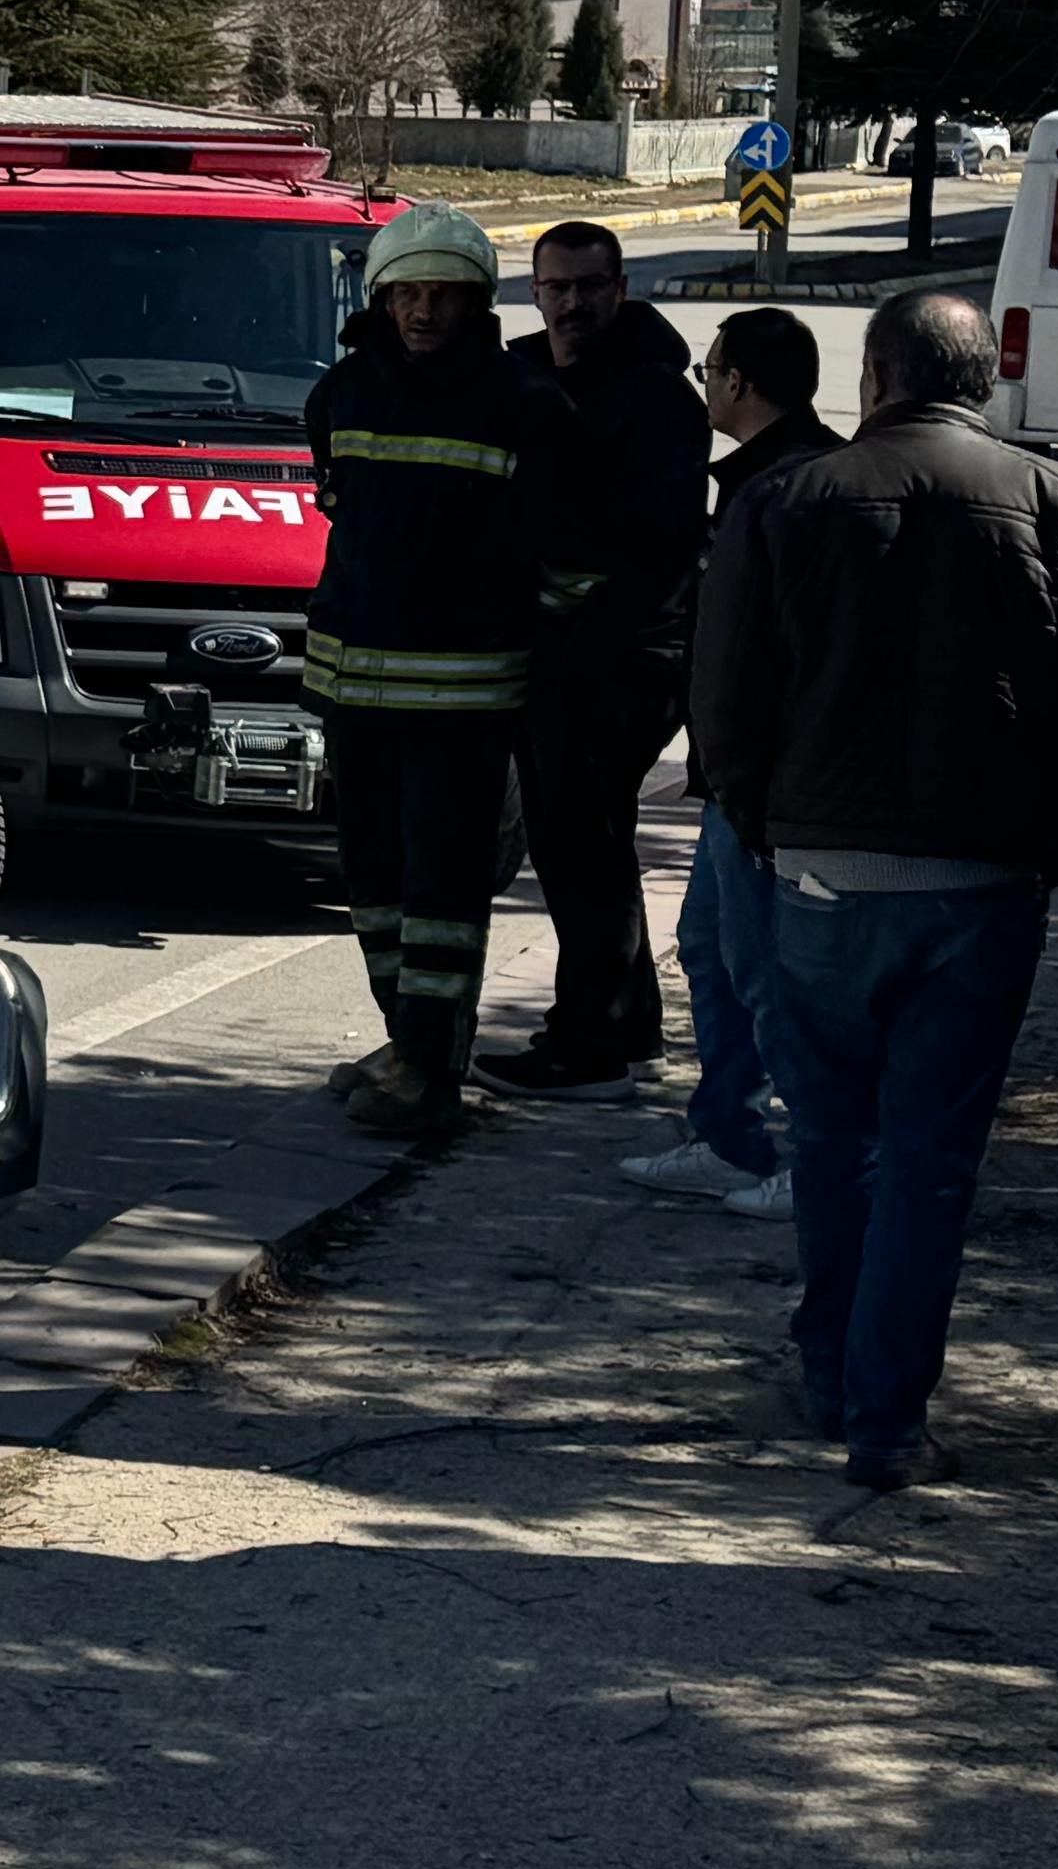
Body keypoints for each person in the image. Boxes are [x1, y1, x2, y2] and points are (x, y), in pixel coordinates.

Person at [693, 289, 1058, 1490]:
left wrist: (772, 832)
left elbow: (722, 709)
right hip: (981, 889)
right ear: (984, 377)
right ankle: (886, 1418)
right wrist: (1048, 853)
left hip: (819, 880)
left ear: (872, 377)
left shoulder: (780, 500)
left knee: (833, 1144)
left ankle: (827, 1372)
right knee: (930, 1162)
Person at [303, 201, 560, 1143]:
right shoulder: (338, 396)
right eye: (407, 292)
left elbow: (560, 548)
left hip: (463, 698)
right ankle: (409, 1045)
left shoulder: (527, 405)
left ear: (477, 304)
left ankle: (430, 1072)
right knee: (371, 879)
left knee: (443, 890)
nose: (423, 312)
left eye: (444, 296)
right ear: (381, 296)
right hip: (352, 690)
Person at [484, 219, 711, 1096]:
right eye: (555, 287)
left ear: (620, 287)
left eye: (588, 285)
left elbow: (645, 543)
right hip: (563, 657)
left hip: (625, 658)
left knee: (585, 848)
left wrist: (574, 629)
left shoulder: (652, 393)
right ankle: (623, 1028)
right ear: (535, 291)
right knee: (581, 846)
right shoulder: (531, 374)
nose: (572, 303)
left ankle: (593, 1044)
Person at [624, 305, 839, 1214]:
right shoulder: (762, 475)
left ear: (739, 384)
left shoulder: (793, 485)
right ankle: (729, 1135)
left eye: (711, 372)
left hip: (763, 784)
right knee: (709, 950)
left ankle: (815, 1154)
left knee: (764, 968)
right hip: (730, 777)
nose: (705, 386)